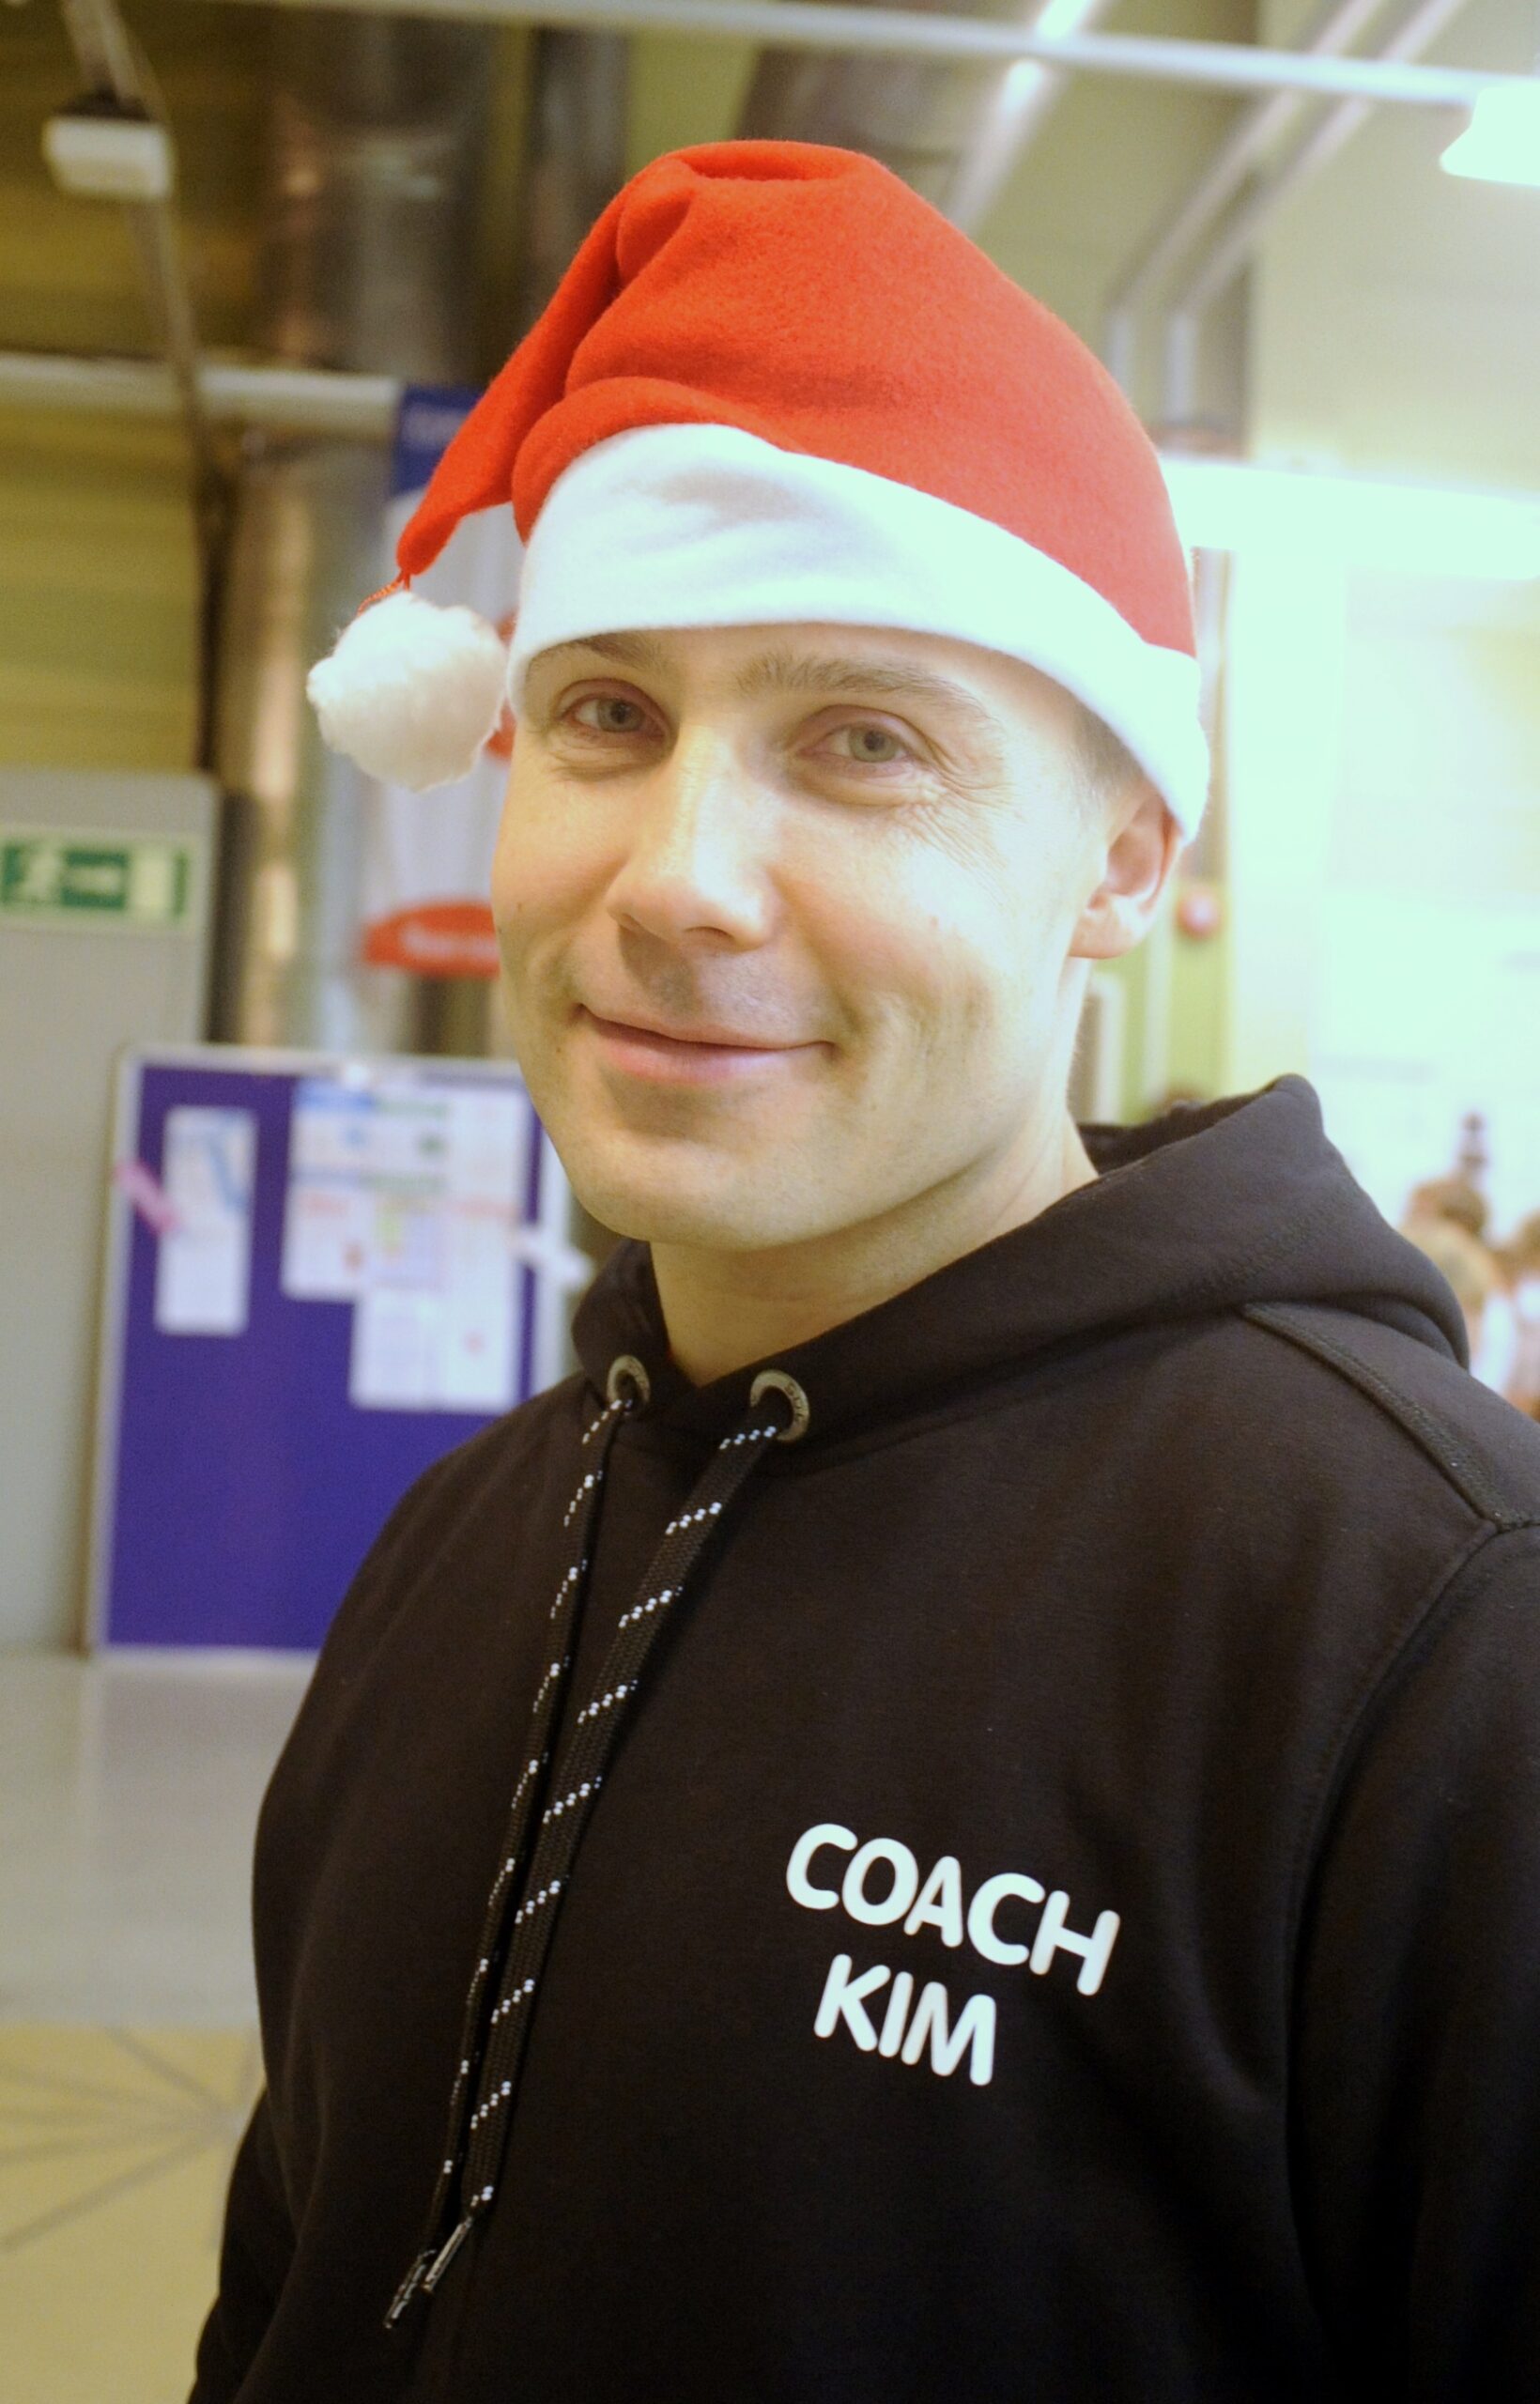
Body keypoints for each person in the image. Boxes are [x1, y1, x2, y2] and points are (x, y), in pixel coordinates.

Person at [194, 141, 1540, 2402]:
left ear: (1121, 861)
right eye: (608, 716)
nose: (681, 880)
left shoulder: (1428, 1633)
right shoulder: (466, 1539)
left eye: (864, 742)